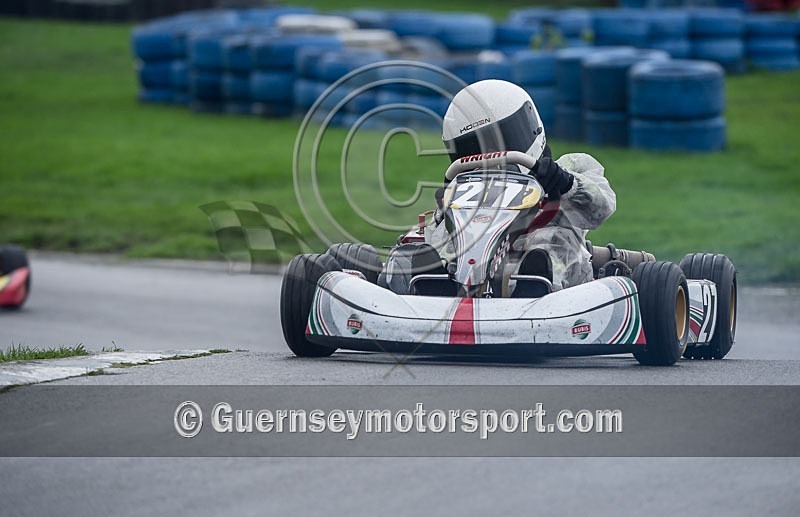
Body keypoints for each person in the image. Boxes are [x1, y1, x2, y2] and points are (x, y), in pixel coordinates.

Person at [436, 79, 617, 290]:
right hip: (473, 261)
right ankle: (427, 283)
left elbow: (602, 206)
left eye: (498, 143)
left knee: (548, 241)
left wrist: (566, 184)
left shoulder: (568, 168)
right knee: (434, 241)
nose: (490, 157)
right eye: (473, 149)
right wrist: (445, 212)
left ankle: (536, 285)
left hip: (548, 274)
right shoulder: (465, 190)